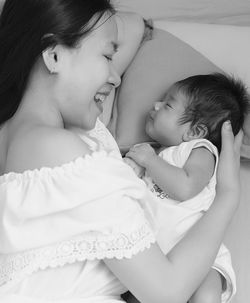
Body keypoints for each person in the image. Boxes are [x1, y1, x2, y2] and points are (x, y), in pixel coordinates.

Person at [0, 1, 243, 303]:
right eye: (107, 55)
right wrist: (228, 197)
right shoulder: (63, 151)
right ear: (54, 55)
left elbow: (132, 27)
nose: (116, 77)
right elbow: (165, 292)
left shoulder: (30, 135)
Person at [125, 73, 249, 303]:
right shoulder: (152, 151)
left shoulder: (198, 150)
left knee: (205, 294)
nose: (156, 105)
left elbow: (186, 186)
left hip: (198, 255)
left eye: (168, 104)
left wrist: (150, 161)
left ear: (195, 132)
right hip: (155, 258)